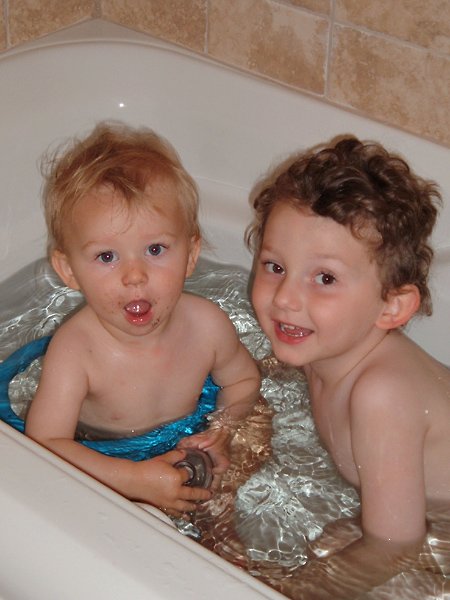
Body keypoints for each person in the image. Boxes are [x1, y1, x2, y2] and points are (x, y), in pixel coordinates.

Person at [245, 136, 450, 597]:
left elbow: (397, 544)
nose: (285, 298)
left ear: (391, 307)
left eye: (325, 278)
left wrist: (291, 588)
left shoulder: (382, 395)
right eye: (275, 266)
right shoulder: (321, 345)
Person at [25, 121, 261, 517]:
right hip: (102, 458)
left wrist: (221, 432)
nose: (134, 276)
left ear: (190, 255)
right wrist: (131, 480)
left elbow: (243, 381)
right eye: (106, 256)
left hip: (186, 442)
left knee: (229, 492)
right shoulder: (76, 351)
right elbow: (45, 444)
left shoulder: (206, 326)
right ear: (68, 271)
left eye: (155, 249)